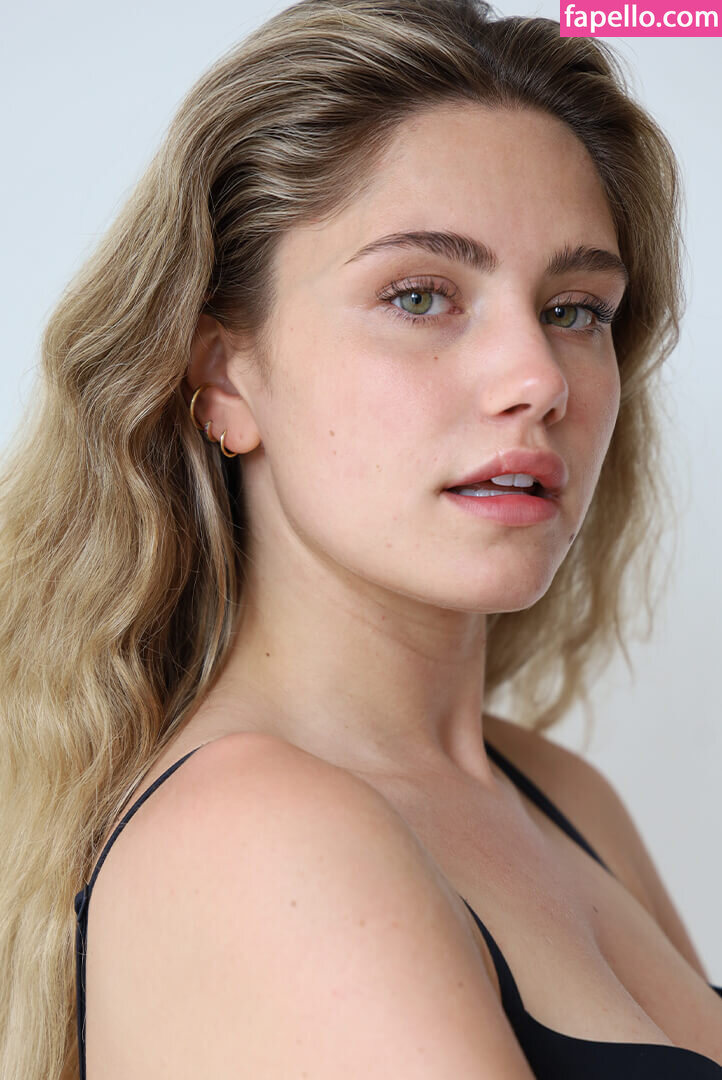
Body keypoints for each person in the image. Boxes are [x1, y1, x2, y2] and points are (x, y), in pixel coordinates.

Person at [0, 0, 720, 1076]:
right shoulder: (252, 835)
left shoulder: (557, 797)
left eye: (574, 309)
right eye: (420, 296)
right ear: (223, 377)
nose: (536, 379)